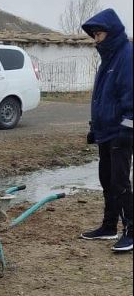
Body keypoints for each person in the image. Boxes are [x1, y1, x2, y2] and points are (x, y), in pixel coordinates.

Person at [80, 9, 133, 252]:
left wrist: (127, 127)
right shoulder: (108, 59)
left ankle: (131, 231)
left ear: (110, 32)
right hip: (106, 131)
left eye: (98, 34)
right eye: (94, 35)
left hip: (121, 132)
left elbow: (129, 96)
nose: (95, 40)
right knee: (107, 180)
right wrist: (95, 128)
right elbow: (102, 97)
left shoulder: (126, 56)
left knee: (120, 182)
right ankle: (109, 226)